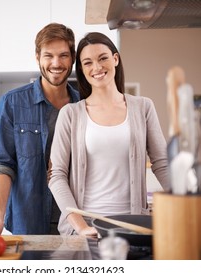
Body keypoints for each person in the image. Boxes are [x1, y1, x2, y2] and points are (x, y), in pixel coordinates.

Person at [49, 32, 169, 236]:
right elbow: (56, 176)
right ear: (82, 70)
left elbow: (162, 163)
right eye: (87, 63)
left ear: (115, 58)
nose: (96, 67)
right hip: (85, 227)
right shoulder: (70, 114)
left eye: (102, 58)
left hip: (133, 226)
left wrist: (189, 201)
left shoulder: (143, 107)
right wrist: (81, 227)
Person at [0, 23, 79, 235]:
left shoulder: (84, 105)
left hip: (75, 224)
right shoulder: (12, 102)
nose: (56, 63)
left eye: (63, 55)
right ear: (37, 57)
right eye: (49, 55)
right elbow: (2, 163)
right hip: (28, 222)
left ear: (72, 58)